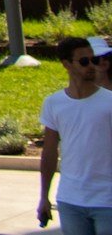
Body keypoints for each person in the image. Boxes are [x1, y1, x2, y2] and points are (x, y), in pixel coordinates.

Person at [38, 35, 112, 235]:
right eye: (84, 61)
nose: (91, 65)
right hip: (70, 199)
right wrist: (44, 197)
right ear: (67, 64)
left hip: (107, 200)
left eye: (94, 60)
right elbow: (49, 153)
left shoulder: (109, 102)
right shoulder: (54, 103)